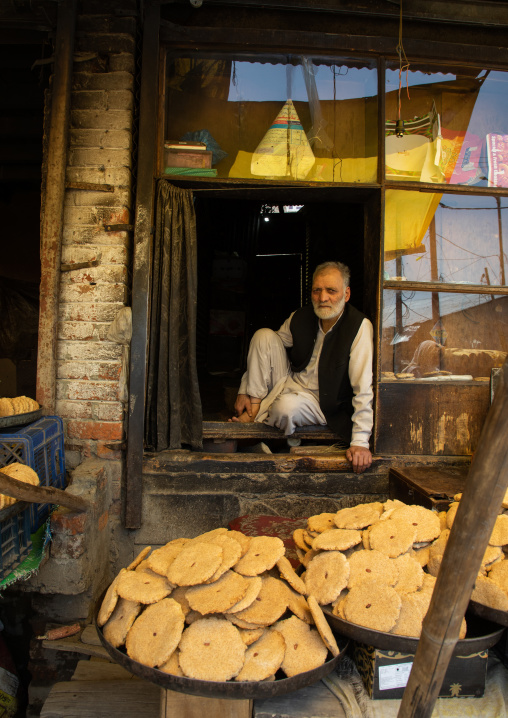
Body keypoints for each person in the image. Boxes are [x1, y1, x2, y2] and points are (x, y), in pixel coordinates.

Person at [230, 261, 374, 473]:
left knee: (285, 407)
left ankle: (260, 430)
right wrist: (245, 388)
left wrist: (360, 442)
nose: (323, 298)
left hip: (321, 402)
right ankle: (254, 411)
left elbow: (363, 388)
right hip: (289, 382)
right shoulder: (301, 316)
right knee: (263, 335)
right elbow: (266, 352)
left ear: (347, 293)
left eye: (331, 291)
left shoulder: (359, 327)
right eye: (317, 290)